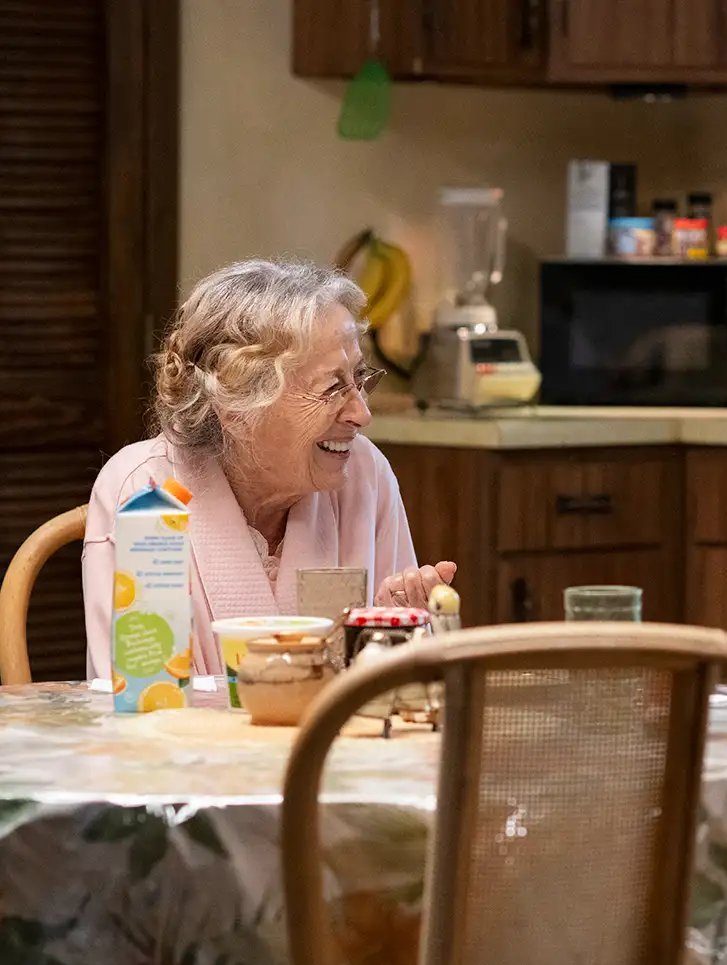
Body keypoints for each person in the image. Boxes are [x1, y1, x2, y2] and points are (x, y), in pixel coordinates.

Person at [83, 259, 455, 680]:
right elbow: (146, 704)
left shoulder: (364, 473)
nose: (361, 414)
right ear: (237, 408)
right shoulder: (146, 494)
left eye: (360, 379)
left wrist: (390, 637)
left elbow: (393, 701)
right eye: (333, 388)